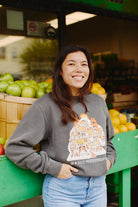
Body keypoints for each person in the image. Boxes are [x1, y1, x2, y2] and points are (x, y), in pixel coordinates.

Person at [5, 45, 117, 207]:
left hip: (98, 189)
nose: (79, 69)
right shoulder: (45, 105)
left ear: (90, 70)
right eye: (71, 64)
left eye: (84, 64)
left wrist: (108, 161)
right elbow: (15, 148)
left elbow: (109, 142)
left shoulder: (98, 102)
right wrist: (53, 167)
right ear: (60, 71)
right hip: (64, 191)